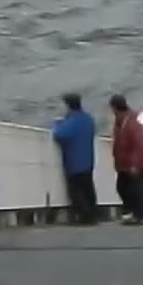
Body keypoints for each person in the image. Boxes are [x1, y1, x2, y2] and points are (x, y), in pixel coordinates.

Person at [52, 93, 98, 225]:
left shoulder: (72, 121)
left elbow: (59, 135)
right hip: (88, 161)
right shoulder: (88, 119)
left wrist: (57, 123)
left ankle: (85, 217)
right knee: (88, 189)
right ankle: (93, 214)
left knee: (76, 192)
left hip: (74, 162)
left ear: (68, 105)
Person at [109, 94, 143, 225]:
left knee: (133, 189)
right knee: (123, 187)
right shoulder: (121, 122)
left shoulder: (130, 123)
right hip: (123, 163)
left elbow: (139, 145)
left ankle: (138, 214)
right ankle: (132, 213)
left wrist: (134, 164)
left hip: (131, 164)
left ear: (115, 108)